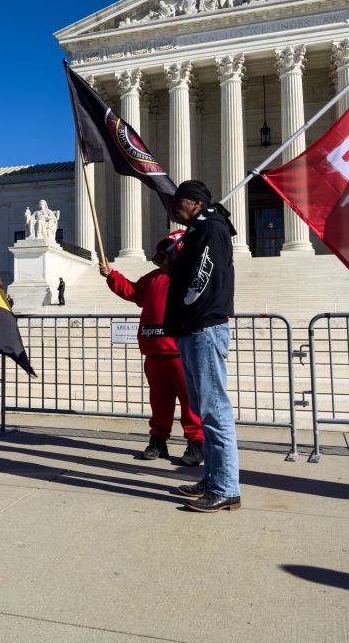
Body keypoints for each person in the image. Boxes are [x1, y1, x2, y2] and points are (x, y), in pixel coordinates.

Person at [164, 181, 240, 513]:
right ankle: (213, 478)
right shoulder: (198, 228)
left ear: (194, 202)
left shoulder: (209, 227)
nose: (172, 209)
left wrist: (186, 300)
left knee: (214, 410)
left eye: (177, 202)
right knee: (204, 409)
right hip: (192, 327)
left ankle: (226, 488)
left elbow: (203, 274)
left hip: (203, 326)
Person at [101, 231, 204, 465]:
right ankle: (158, 440)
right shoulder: (153, 278)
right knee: (159, 403)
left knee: (190, 402)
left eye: (170, 249)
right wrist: (111, 275)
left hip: (181, 353)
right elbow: (133, 292)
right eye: (163, 250)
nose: (164, 254)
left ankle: (196, 443)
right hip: (154, 353)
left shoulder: (191, 277)